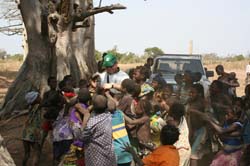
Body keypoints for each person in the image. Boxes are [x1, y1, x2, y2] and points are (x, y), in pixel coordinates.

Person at [78, 95, 117, 166]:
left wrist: (85, 119)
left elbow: (82, 137)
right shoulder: (109, 116)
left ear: (93, 107)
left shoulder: (91, 123)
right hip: (110, 158)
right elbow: (112, 105)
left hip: (96, 159)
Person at [22, 91, 42, 166]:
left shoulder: (30, 107)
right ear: (35, 100)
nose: (40, 97)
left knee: (27, 153)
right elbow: (45, 103)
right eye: (38, 96)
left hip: (25, 132)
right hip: (33, 132)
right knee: (37, 152)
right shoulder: (37, 106)